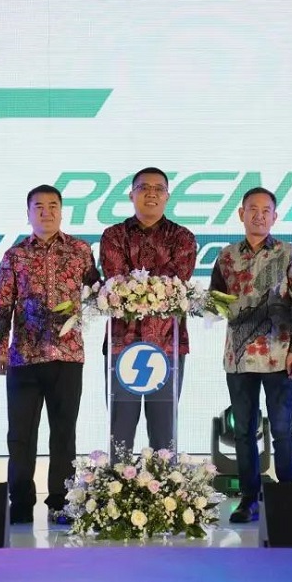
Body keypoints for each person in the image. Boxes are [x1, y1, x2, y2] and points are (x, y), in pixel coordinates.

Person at [0, 184, 100, 525]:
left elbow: (96, 295)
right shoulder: (15, 255)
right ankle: (21, 504)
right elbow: (2, 304)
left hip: (67, 356)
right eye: (38, 206)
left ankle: (61, 503)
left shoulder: (81, 250)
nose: (46, 212)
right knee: (20, 436)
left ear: (62, 211)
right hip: (24, 357)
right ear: (28, 213)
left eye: (53, 205)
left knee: (64, 434)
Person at [209, 187, 292, 523]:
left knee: (282, 429)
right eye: (252, 209)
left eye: (266, 210)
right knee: (243, 432)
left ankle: (287, 497)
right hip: (238, 358)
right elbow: (214, 302)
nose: (259, 215)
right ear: (241, 214)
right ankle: (249, 498)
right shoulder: (226, 257)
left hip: (278, 355)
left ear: (274, 216)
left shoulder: (289, 253)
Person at [99, 167, 197, 457]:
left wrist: (141, 289)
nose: (151, 193)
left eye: (158, 188)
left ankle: (165, 483)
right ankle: (118, 482)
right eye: (143, 187)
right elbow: (117, 282)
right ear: (131, 195)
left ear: (167, 196)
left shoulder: (183, 237)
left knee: (164, 431)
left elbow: (176, 284)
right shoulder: (114, 235)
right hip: (122, 343)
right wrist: (150, 289)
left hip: (168, 344)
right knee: (120, 430)